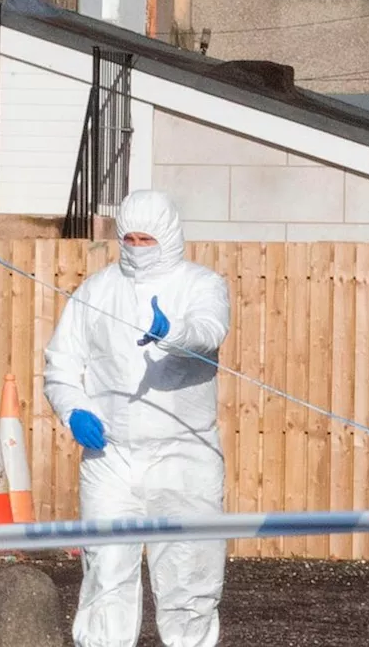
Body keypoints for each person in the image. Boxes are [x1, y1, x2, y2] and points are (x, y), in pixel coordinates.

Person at [42, 189, 230, 647]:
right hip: (111, 455)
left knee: (189, 574)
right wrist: (74, 410)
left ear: (167, 236)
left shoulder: (201, 285)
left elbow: (210, 330)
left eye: (147, 238)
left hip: (184, 453)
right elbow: (60, 365)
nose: (137, 246)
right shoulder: (97, 290)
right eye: (129, 237)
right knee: (105, 572)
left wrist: (175, 332)